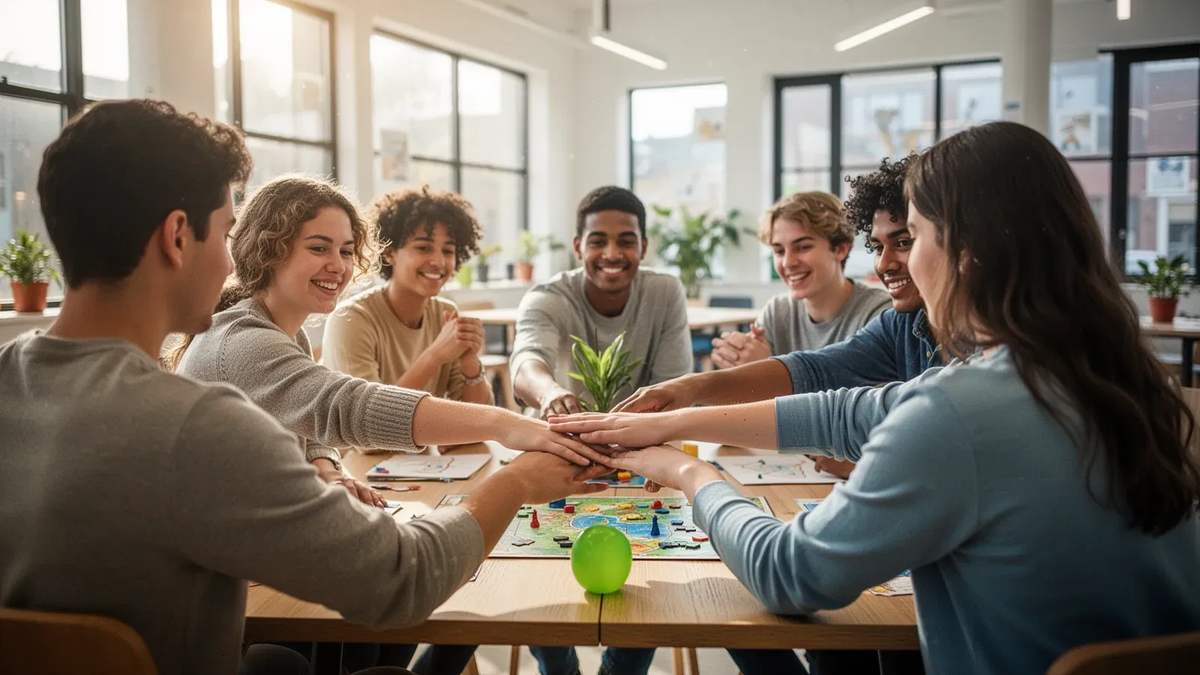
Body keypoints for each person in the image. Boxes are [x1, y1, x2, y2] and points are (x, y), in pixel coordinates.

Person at [548, 121, 1200, 675]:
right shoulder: (1122, 379)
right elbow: (846, 409)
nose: (899, 263)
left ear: (966, 252)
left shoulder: (960, 411)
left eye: (913, 236)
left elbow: (788, 572)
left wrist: (689, 469)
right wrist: (682, 409)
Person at [0, 99, 611, 675]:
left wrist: (323, 462)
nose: (230, 261)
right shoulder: (197, 423)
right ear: (178, 236)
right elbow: (402, 578)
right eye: (226, 232)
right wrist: (517, 476)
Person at [171, 175, 609, 504]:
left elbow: (307, 422)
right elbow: (346, 405)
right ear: (269, 249)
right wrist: (509, 424)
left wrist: (326, 466)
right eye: (319, 248)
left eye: (345, 251)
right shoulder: (244, 340)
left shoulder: (284, 332)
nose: (339, 267)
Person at [615, 156, 927, 481]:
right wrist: (691, 388)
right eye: (778, 250)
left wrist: (680, 418)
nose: (883, 264)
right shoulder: (897, 324)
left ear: (841, 249)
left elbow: (848, 419)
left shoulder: (887, 311)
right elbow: (812, 370)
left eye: (904, 242)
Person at [511, 186, 692, 419]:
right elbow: (527, 362)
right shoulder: (548, 298)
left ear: (643, 247)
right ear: (578, 247)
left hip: (640, 435)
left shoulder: (664, 292)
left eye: (626, 242)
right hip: (557, 434)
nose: (612, 254)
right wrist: (549, 393)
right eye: (598, 242)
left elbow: (672, 387)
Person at [323, 186, 493, 409]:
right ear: (389, 254)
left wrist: (470, 362)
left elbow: (478, 420)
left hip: (418, 446)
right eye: (423, 248)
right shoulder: (351, 320)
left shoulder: (444, 313)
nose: (439, 262)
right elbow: (369, 427)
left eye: (448, 251)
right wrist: (435, 356)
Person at [708, 191, 888, 371]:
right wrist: (738, 360)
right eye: (779, 251)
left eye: (803, 247)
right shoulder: (778, 313)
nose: (788, 262)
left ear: (840, 249)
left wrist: (767, 372)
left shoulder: (880, 314)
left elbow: (866, 397)